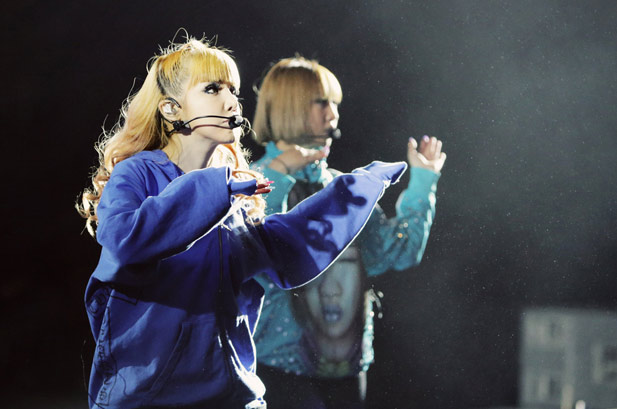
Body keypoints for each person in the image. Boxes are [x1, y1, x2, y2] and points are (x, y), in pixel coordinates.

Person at [76, 38, 408, 409]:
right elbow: (125, 240)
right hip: (149, 399)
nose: (232, 102)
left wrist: (356, 190)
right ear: (171, 108)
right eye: (212, 89)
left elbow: (286, 249)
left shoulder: (231, 195)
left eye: (232, 90)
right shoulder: (138, 174)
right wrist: (216, 189)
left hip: (233, 396)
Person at [250, 56, 446, 408]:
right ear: (289, 106)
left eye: (336, 104)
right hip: (276, 373)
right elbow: (256, 257)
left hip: (348, 376)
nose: (333, 115)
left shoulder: (341, 187)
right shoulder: (248, 182)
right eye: (322, 102)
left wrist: (422, 182)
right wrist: (277, 173)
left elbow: (397, 252)